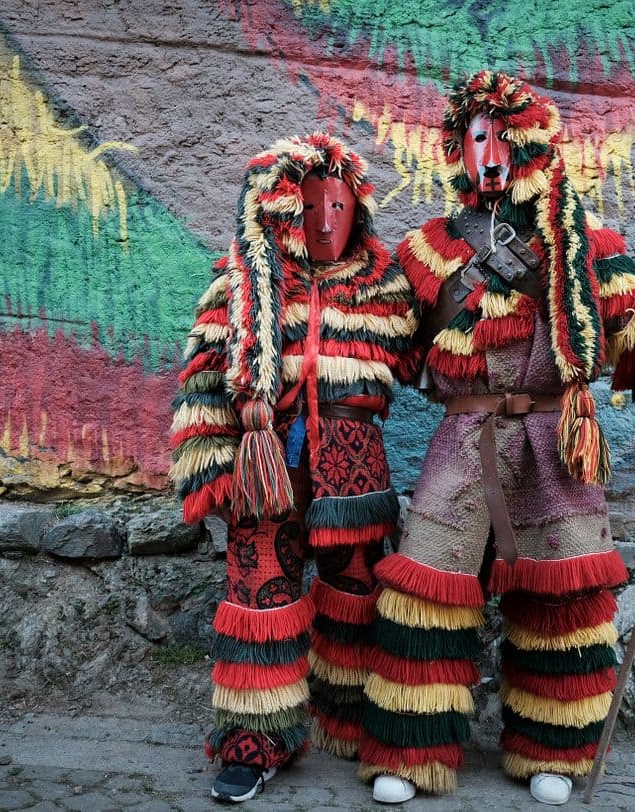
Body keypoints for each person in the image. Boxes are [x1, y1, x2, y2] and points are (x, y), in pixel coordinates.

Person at [356, 71, 635, 805]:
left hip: (555, 441)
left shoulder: (587, 243)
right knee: (429, 591)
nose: (491, 151)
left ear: (532, 143)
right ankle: (410, 751)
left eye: (503, 137)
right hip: (464, 438)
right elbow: (377, 339)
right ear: (457, 150)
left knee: (561, 602)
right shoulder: (426, 250)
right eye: (477, 138)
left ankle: (553, 749)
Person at [170, 133, 417, 802]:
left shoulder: (385, 283)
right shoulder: (244, 280)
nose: (326, 220)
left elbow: (436, 356)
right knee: (261, 593)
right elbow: (203, 377)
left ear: (357, 209)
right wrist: (214, 469)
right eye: (313, 207)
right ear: (285, 208)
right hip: (267, 465)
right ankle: (255, 740)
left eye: (339, 206)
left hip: (354, 470)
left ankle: (349, 717)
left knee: (357, 589)